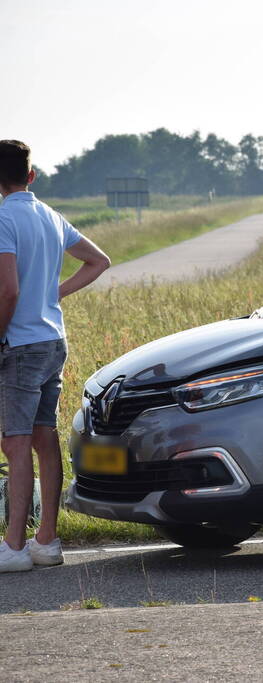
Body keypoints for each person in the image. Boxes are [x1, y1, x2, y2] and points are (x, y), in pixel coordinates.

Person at [0, 140, 110, 572]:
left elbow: (7, 291)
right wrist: (54, 293)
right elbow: (98, 261)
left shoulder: (3, 218)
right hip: (53, 339)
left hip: (21, 344)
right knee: (45, 438)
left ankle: (12, 546)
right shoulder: (49, 215)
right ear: (31, 175)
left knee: (15, 442)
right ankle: (47, 540)